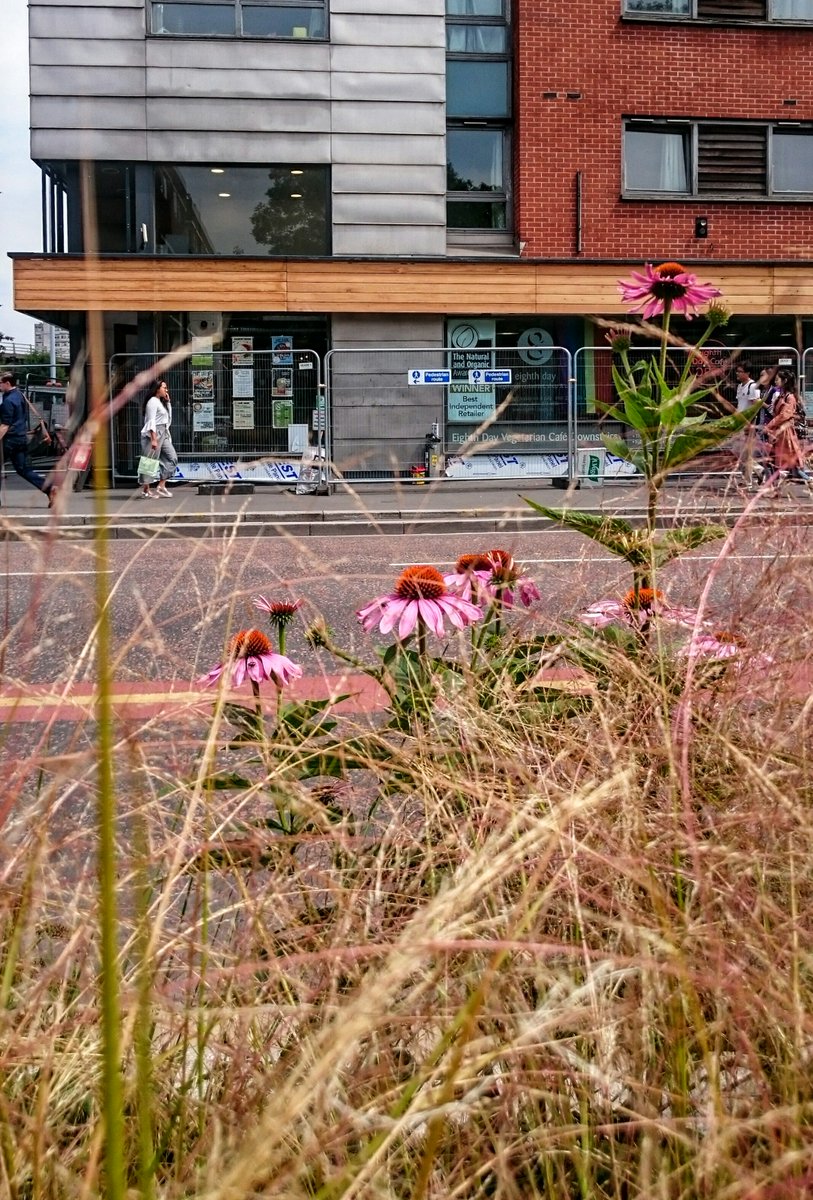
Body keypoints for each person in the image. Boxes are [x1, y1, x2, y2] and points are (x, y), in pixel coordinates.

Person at [0, 371, 57, 507]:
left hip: (9, 440)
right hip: (21, 438)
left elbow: (5, 425)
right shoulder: (19, 395)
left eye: (0, 383)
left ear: (7, 383)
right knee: (23, 469)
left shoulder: (8, 401)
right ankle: (49, 488)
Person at [762, 368, 812, 498]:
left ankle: (809, 481)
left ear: (784, 381)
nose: (776, 380)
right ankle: (774, 490)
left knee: (787, 464)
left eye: (778, 378)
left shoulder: (790, 397)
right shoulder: (782, 395)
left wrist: (771, 424)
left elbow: (785, 415)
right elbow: (777, 413)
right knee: (774, 462)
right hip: (779, 433)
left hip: (784, 434)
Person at [139, 379, 177, 498]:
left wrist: (168, 402)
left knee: (172, 458)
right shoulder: (153, 402)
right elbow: (151, 421)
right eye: (164, 387)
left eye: (166, 388)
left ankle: (161, 485)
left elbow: (168, 419)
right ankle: (146, 490)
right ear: (157, 389)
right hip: (154, 433)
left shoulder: (160, 402)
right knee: (150, 461)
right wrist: (154, 439)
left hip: (163, 432)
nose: (166, 390)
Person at [733, 360, 761, 488]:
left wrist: (750, 425)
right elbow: (741, 405)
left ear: (747, 373)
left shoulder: (752, 386)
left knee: (746, 454)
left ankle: (748, 481)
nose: (737, 374)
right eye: (737, 371)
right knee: (738, 451)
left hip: (747, 424)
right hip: (739, 423)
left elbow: (755, 407)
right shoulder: (740, 386)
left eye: (740, 371)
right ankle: (760, 471)